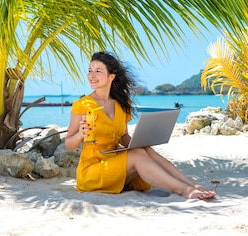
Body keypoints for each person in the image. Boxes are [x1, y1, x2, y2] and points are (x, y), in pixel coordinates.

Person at [64, 51, 216, 200]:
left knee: (144, 150)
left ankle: (191, 184)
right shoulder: (82, 105)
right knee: (137, 155)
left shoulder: (121, 104)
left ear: (111, 77)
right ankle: (184, 190)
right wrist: (80, 134)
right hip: (92, 169)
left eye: (98, 71)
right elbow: (69, 144)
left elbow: (123, 137)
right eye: (90, 70)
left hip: (113, 161)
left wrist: (140, 143)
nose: (92, 75)